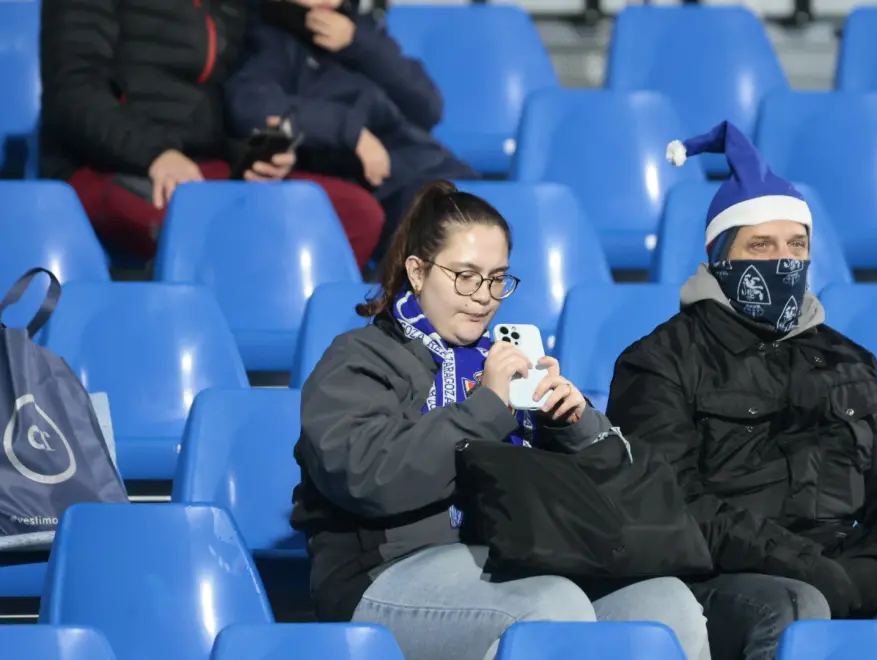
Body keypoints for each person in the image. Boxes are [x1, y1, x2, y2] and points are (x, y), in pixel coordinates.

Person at [606, 121, 877, 660]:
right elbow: (672, 503)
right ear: (720, 255)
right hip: (728, 579)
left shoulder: (848, 359)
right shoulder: (658, 361)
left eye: (796, 244)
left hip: (849, 568)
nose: (782, 261)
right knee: (797, 610)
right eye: (759, 244)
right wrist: (806, 568)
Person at [291, 180, 710, 660]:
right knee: (550, 606)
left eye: (497, 279)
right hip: (382, 573)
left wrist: (573, 426)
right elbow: (365, 473)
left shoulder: (507, 360)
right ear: (418, 271)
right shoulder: (360, 358)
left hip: (517, 557)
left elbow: (605, 497)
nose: (483, 297)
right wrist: (488, 407)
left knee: (667, 607)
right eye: (466, 276)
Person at [40, 0, 385, 268]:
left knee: (354, 214)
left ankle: (271, 340)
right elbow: (72, 95)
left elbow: (232, 101)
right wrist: (156, 154)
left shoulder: (235, 7)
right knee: (191, 228)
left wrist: (253, 153)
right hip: (107, 163)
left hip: (204, 169)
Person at [224, 0, 477, 262]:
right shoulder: (270, 40)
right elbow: (251, 107)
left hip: (435, 168)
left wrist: (359, 44)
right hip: (388, 191)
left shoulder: (362, 31)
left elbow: (428, 107)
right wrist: (349, 131)